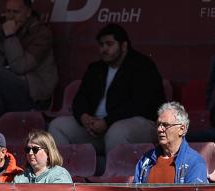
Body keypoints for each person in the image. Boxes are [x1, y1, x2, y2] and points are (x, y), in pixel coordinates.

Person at [49, 25, 164, 155]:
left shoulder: (142, 66)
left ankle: (115, 174)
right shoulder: (96, 69)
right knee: (57, 126)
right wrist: (84, 117)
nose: (104, 49)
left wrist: (107, 121)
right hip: (97, 126)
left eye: (109, 44)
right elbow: (81, 98)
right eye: (101, 45)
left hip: (137, 123)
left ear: (124, 46)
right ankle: (69, 172)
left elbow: (138, 104)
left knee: (117, 131)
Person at [0, 0, 58, 126]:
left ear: (28, 13)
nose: (11, 16)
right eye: (8, 11)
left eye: (16, 12)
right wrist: (2, 77)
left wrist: (10, 37)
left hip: (32, 95)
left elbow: (20, 66)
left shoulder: (41, 34)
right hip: (3, 89)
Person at [134, 102, 208, 184]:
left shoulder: (194, 162)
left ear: (181, 129)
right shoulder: (146, 159)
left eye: (165, 125)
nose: (159, 129)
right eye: (158, 124)